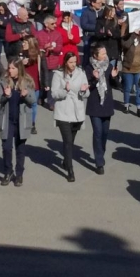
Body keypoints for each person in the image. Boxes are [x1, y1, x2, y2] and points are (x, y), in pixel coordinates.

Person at [0, 59, 36, 187]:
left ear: (19, 69)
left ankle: (19, 174)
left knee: (20, 149)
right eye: (9, 68)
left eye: (13, 68)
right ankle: (8, 171)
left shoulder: (27, 82)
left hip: (21, 120)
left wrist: (25, 95)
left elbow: (33, 100)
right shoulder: (3, 81)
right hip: (7, 120)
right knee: (6, 148)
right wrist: (5, 96)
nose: (10, 70)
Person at [51, 51, 90, 182]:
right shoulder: (58, 75)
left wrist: (84, 90)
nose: (73, 65)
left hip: (77, 112)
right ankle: (70, 170)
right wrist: (65, 91)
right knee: (67, 141)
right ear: (65, 62)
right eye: (70, 62)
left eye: (75, 62)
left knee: (71, 142)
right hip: (63, 112)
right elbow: (54, 94)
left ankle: (65, 161)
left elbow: (86, 93)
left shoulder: (81, 73)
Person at [85, 44, 118, 175]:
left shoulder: (108, 66)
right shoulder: (89, 68)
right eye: (102, 54)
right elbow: (88, 85)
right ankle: (99, 162)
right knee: (97, 132)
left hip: (107, 104)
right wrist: (94, 78)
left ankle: (101, 153)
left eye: (105, 53)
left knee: (105, 133)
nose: (105, 55)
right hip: (95, 104)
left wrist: (115, 77)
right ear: (95, 55)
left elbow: (116, 85)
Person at [121, 24, 140, 117]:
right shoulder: (127, 37)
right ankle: (126, 105)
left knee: (139, 88)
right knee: (128, 88)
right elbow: (125, 45)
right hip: (128, 68)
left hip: (139, 68)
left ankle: (139, 108)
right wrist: (133, 35)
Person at [80, 0, 103, 65]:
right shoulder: (86, 12)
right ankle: (85, 67)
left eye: (101, 3)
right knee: (87, 53)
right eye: (98, 3)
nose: (100, 5)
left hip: (99, 36)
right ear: (93, 3)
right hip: (88, 36)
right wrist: (96, 28)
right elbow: (84, 25)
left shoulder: (101, 11)